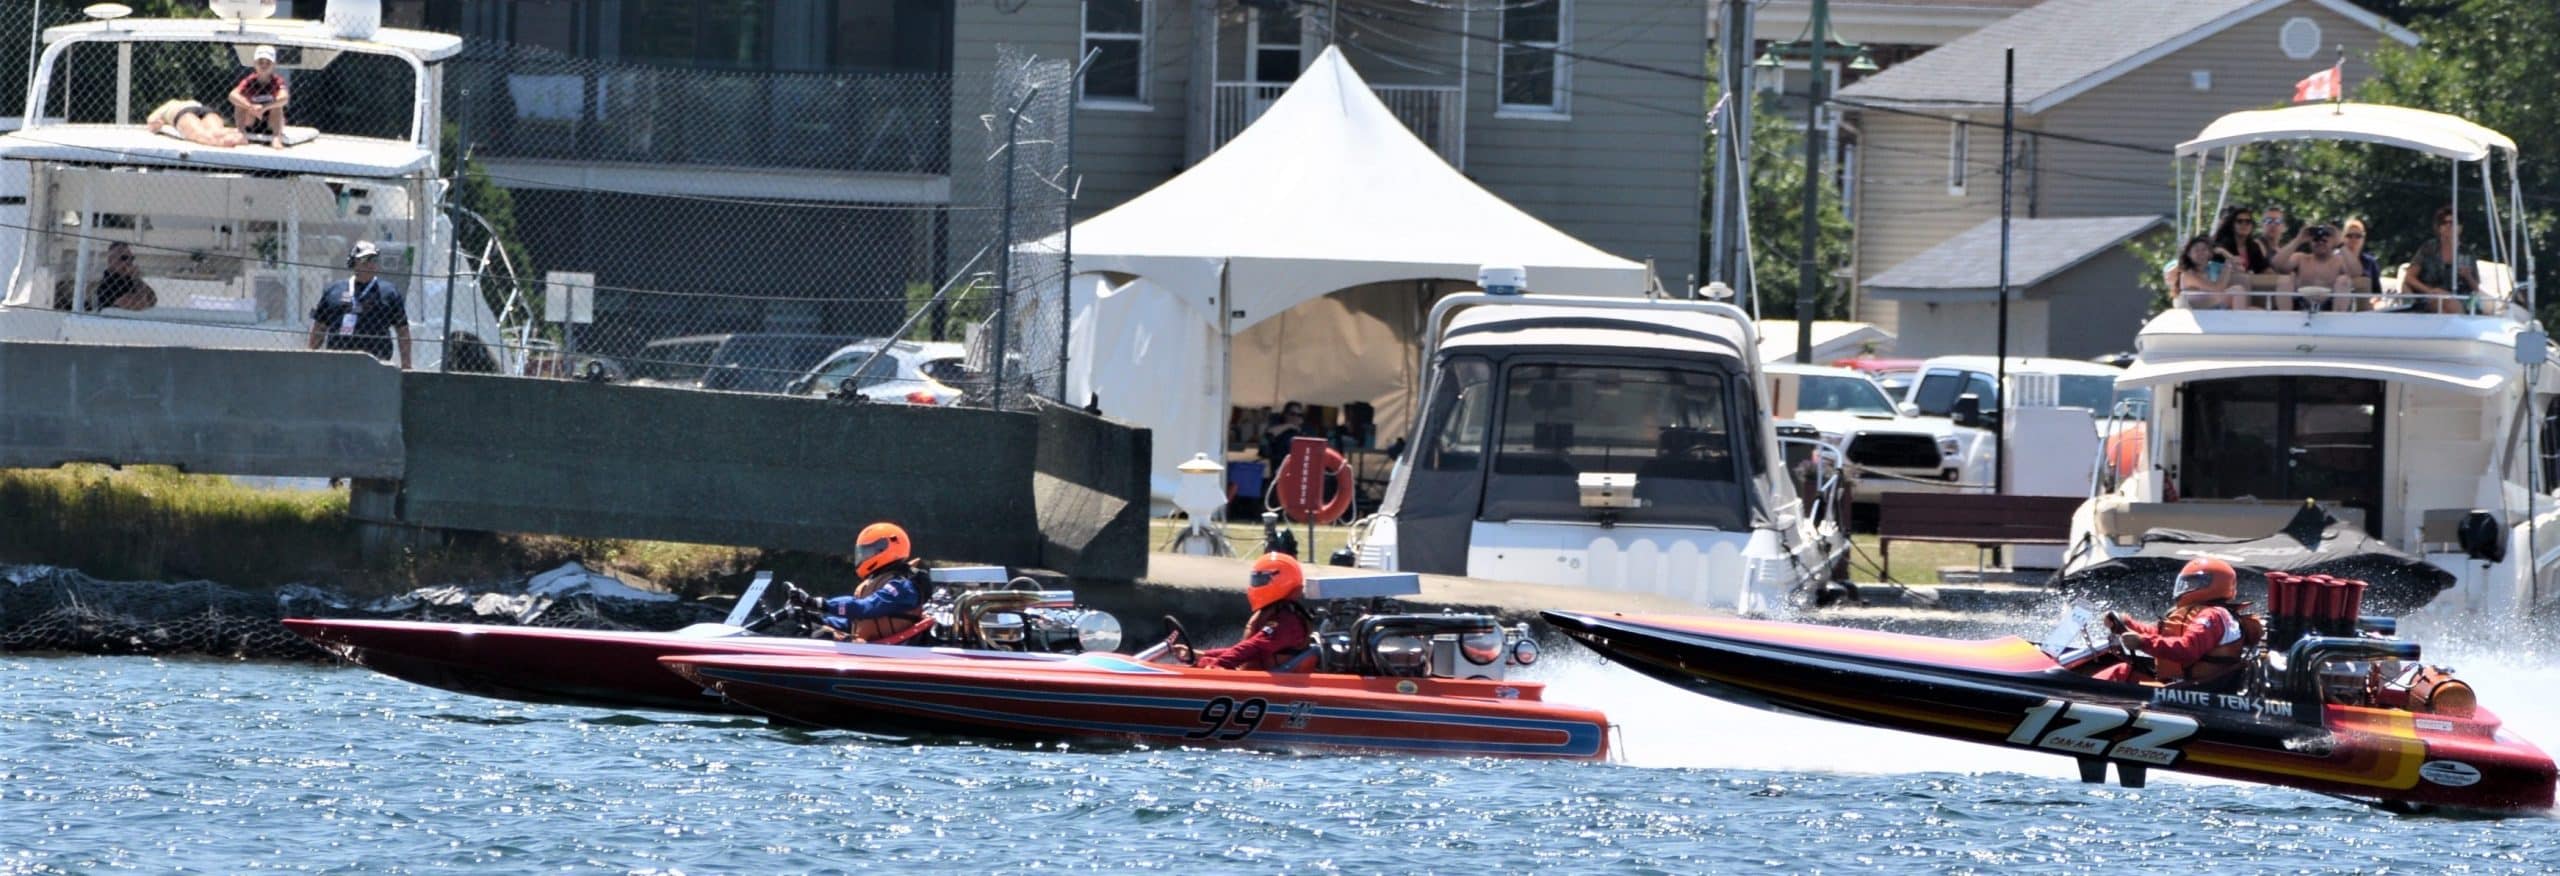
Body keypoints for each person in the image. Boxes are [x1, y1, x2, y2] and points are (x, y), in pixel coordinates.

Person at [2096, 557, 2262, 687]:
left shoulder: (2214, 616)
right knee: (2124, 670)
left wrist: (2142, 642)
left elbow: (2186, 649)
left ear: (2212, 584)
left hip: (2196, 689)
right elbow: (2161, 636)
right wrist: (2126, 624)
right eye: (2186, 583)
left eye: (2193, 583)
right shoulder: (2205, 612)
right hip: (2182, 684)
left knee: (2120, 673)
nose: (2186, 587)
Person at [1171, 552, 1316, 671]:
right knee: (1198, 664)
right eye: (1255, 580)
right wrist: (1200, 654)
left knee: (1206, 667)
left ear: (1281, 581)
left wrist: (1219, 664)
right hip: (1258, 680)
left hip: (1274, 688)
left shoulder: (1287, 622)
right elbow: (1242, 650)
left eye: (1260, 581)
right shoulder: (1273, 613)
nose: (1255, 586)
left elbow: (1254, 646)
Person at [813, 522, 928, 642]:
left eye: (868, 551)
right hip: (871, 651)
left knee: (820, 636)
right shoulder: (877, 581)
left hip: (893, 655)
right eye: (862, 552)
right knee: (815, 631)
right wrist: (816, 618)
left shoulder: (904, 587)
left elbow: (867, 607)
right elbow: (854, 624)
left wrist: (822, 604)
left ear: (883, 549)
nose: (863, 556)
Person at [305, 241, 413, 368]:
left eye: (374, 259)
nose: (370, 264)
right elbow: (319, 327)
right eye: (365, 260)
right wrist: (309, 360)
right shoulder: (334, 290)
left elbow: (403, 332)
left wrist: (406, 366)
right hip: (337, 363)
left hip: (377, 364)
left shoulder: (389, 292)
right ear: (353, 262)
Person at [2403, 204, 2481, 314]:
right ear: (2439, 227)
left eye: (2453, 223)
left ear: (2460, 227)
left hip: (2460, 298)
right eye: (2444, 223)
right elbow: (2409, 278)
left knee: (2449, 304)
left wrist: (2468, 276)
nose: (2449, 226)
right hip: (2431, 296)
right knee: (2440, 302)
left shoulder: (2467, 253)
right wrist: (2430, 291)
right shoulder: (2428, 248)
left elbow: (2476, 288)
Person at [2284, 225, 2360, 312]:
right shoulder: (2300, 258)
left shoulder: (2340, 261)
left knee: (2343, 280)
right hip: (2300, 305)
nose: (2320, 243)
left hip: (2332, 308)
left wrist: (2340, 244)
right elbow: (2278, 265)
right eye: (2316, 239)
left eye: (2324, 240)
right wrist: (2298, 240)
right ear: (2310, 242)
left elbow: (2356, 272)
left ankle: (2339, 321)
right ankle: (2284, 320)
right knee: (2284, 279)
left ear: (2333, 242)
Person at [229, 45, 291, 149]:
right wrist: (250, 107)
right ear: (255, 64)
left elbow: (284, 98)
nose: (264, 65)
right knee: (239, 104)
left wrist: (264, 108)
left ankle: (276, 137)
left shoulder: (277, 81)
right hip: (251, 119)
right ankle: (241, 133)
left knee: (277, 106)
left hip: (270, 122)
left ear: (274, 65)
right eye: (260, 62)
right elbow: (232, 95)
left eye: (268, 63)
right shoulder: (249, 81)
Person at [2165, 235, 2246, 310]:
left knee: (2253, 308)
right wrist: (2227, 266)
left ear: (2210, 254)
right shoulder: (2187, 274)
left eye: (2204, 249)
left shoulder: (2211, 267)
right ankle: (2239, 322)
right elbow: (2218, 288)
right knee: (2238, 290)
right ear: (2189, 254)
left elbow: (2241, 269)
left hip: (2213, 306)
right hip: (2197, 310)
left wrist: (2224, 253)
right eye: (2196, 250)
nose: (2201, 253)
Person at [84, 242, 159, 311]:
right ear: (111, 260)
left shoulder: (131, 280)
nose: (128, 262)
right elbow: (141, 304)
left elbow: (152, 299)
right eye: (124, 258)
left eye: (131, 259)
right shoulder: (105, 284)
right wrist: (136, 279)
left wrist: (137, 279)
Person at [145, 98, 247, 147]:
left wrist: (158, 124)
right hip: (203, 108)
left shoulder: (169, 105)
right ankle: (236, 134)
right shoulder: (180, 102)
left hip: (182, 112)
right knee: (217, 131)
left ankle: (232, 139)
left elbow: (152, 120)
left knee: (203, 137)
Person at [2340, 218, 2383, 297]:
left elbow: (2377, 292)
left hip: (2364, 304)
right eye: (2349, 236)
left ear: (2363, 238)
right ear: (2342, 238)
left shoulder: (2370, 262)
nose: (2353, 239)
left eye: (2358, 236)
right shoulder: (2335, 259)